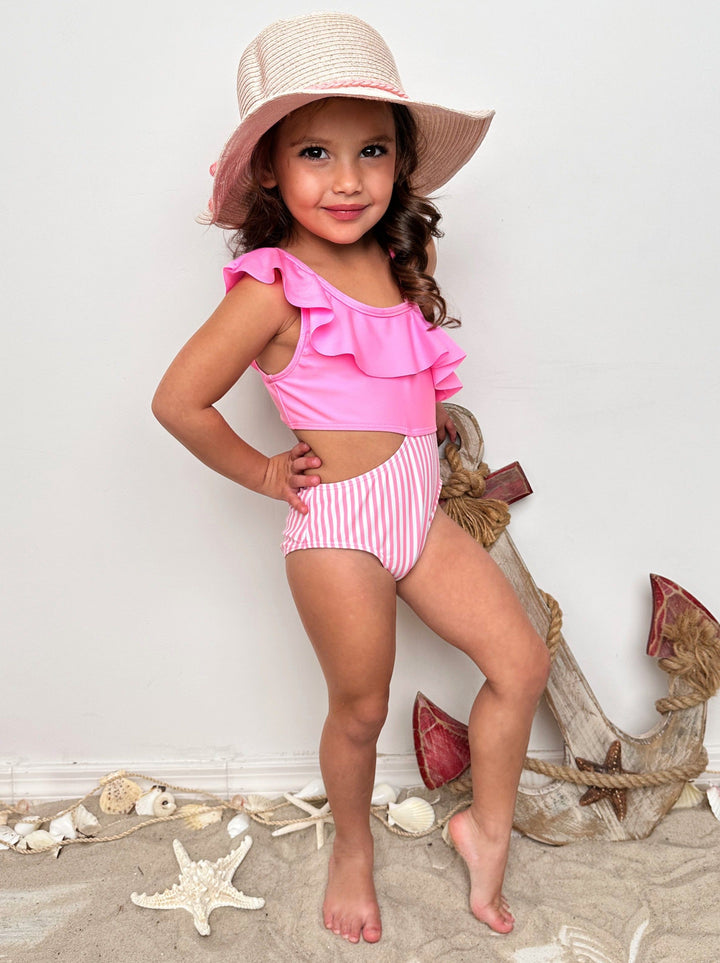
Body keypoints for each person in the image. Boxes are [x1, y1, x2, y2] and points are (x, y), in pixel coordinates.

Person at [152, 11, 550, 945]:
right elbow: (177, 401)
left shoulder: (399, 256)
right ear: (268, 169)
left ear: (400, 159)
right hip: (340, 528)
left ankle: (485, 827)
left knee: (521, 662)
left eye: (372, 151)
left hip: (418, 511)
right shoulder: (272, 288)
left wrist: (426, 418)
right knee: (362, 707)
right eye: (315, 153)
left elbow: (392, 373)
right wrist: (262, 471)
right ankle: (353, 853)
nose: (347, 180)